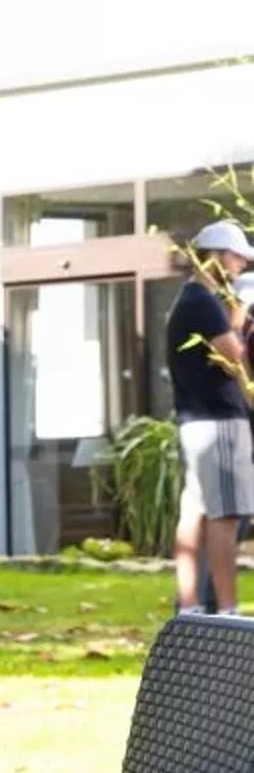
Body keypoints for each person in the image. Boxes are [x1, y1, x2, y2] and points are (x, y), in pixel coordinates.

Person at [166, 219, 254, 613]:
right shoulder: (203, 302)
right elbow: (234, 356)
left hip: (195, 420)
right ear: (215, 256)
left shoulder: (191, 300)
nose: (241, 266)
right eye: (237, 258)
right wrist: (242, 310)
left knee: (196, 513)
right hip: (219, 422)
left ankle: (190, 607)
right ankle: (228, 610)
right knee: (225, 516)